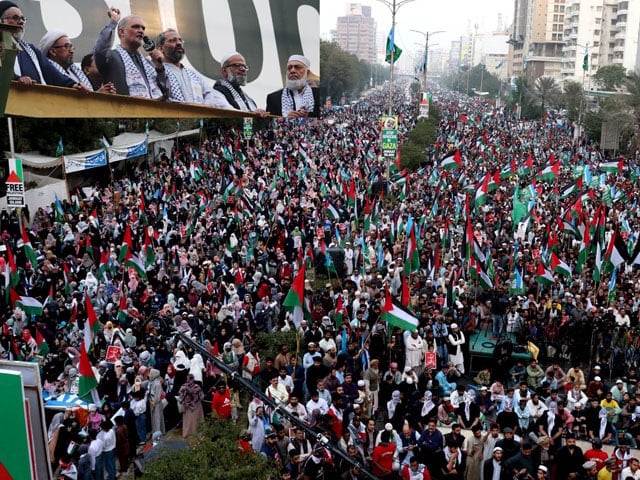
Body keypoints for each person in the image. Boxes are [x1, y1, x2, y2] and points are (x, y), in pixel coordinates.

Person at [0, 1, 81, 88]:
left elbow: (52, 73)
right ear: (1, 20)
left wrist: (73, 84)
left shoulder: (30, 49)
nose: (21, 22)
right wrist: (17, 79)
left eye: (23, 19)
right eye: (15, 18)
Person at [93, 6, 165, 98]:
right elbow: (100, 50)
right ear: (121, 32)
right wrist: (113, 22)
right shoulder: (111, 57)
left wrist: (160, 68)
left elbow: (166, 92)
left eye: (143, 28)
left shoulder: (148, 64)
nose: (141, 31)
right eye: (135, 27)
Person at [38, 30, 113, 93]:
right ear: (53, 51)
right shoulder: (48, 73)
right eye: (66, 46)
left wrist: (99, 94)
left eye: (71, 47)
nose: (71, 51)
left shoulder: (74, 71)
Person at [154, 28, 214, 104]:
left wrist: (206, 106)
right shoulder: (157, 70)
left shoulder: (193, 74)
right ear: (161, 48)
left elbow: (210, 94)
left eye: (180, 40)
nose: (179, 43)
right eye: (172, 40)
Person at [178, 373, 205, 438]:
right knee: (196, 421)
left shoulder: (183, 387)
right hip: (196, 407)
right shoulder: (197, 387)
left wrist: (185, 403)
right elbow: (202, 397)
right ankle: (197, 434)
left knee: (188, 422)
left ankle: (188, 434)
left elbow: (180, 398)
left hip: (188, 408)